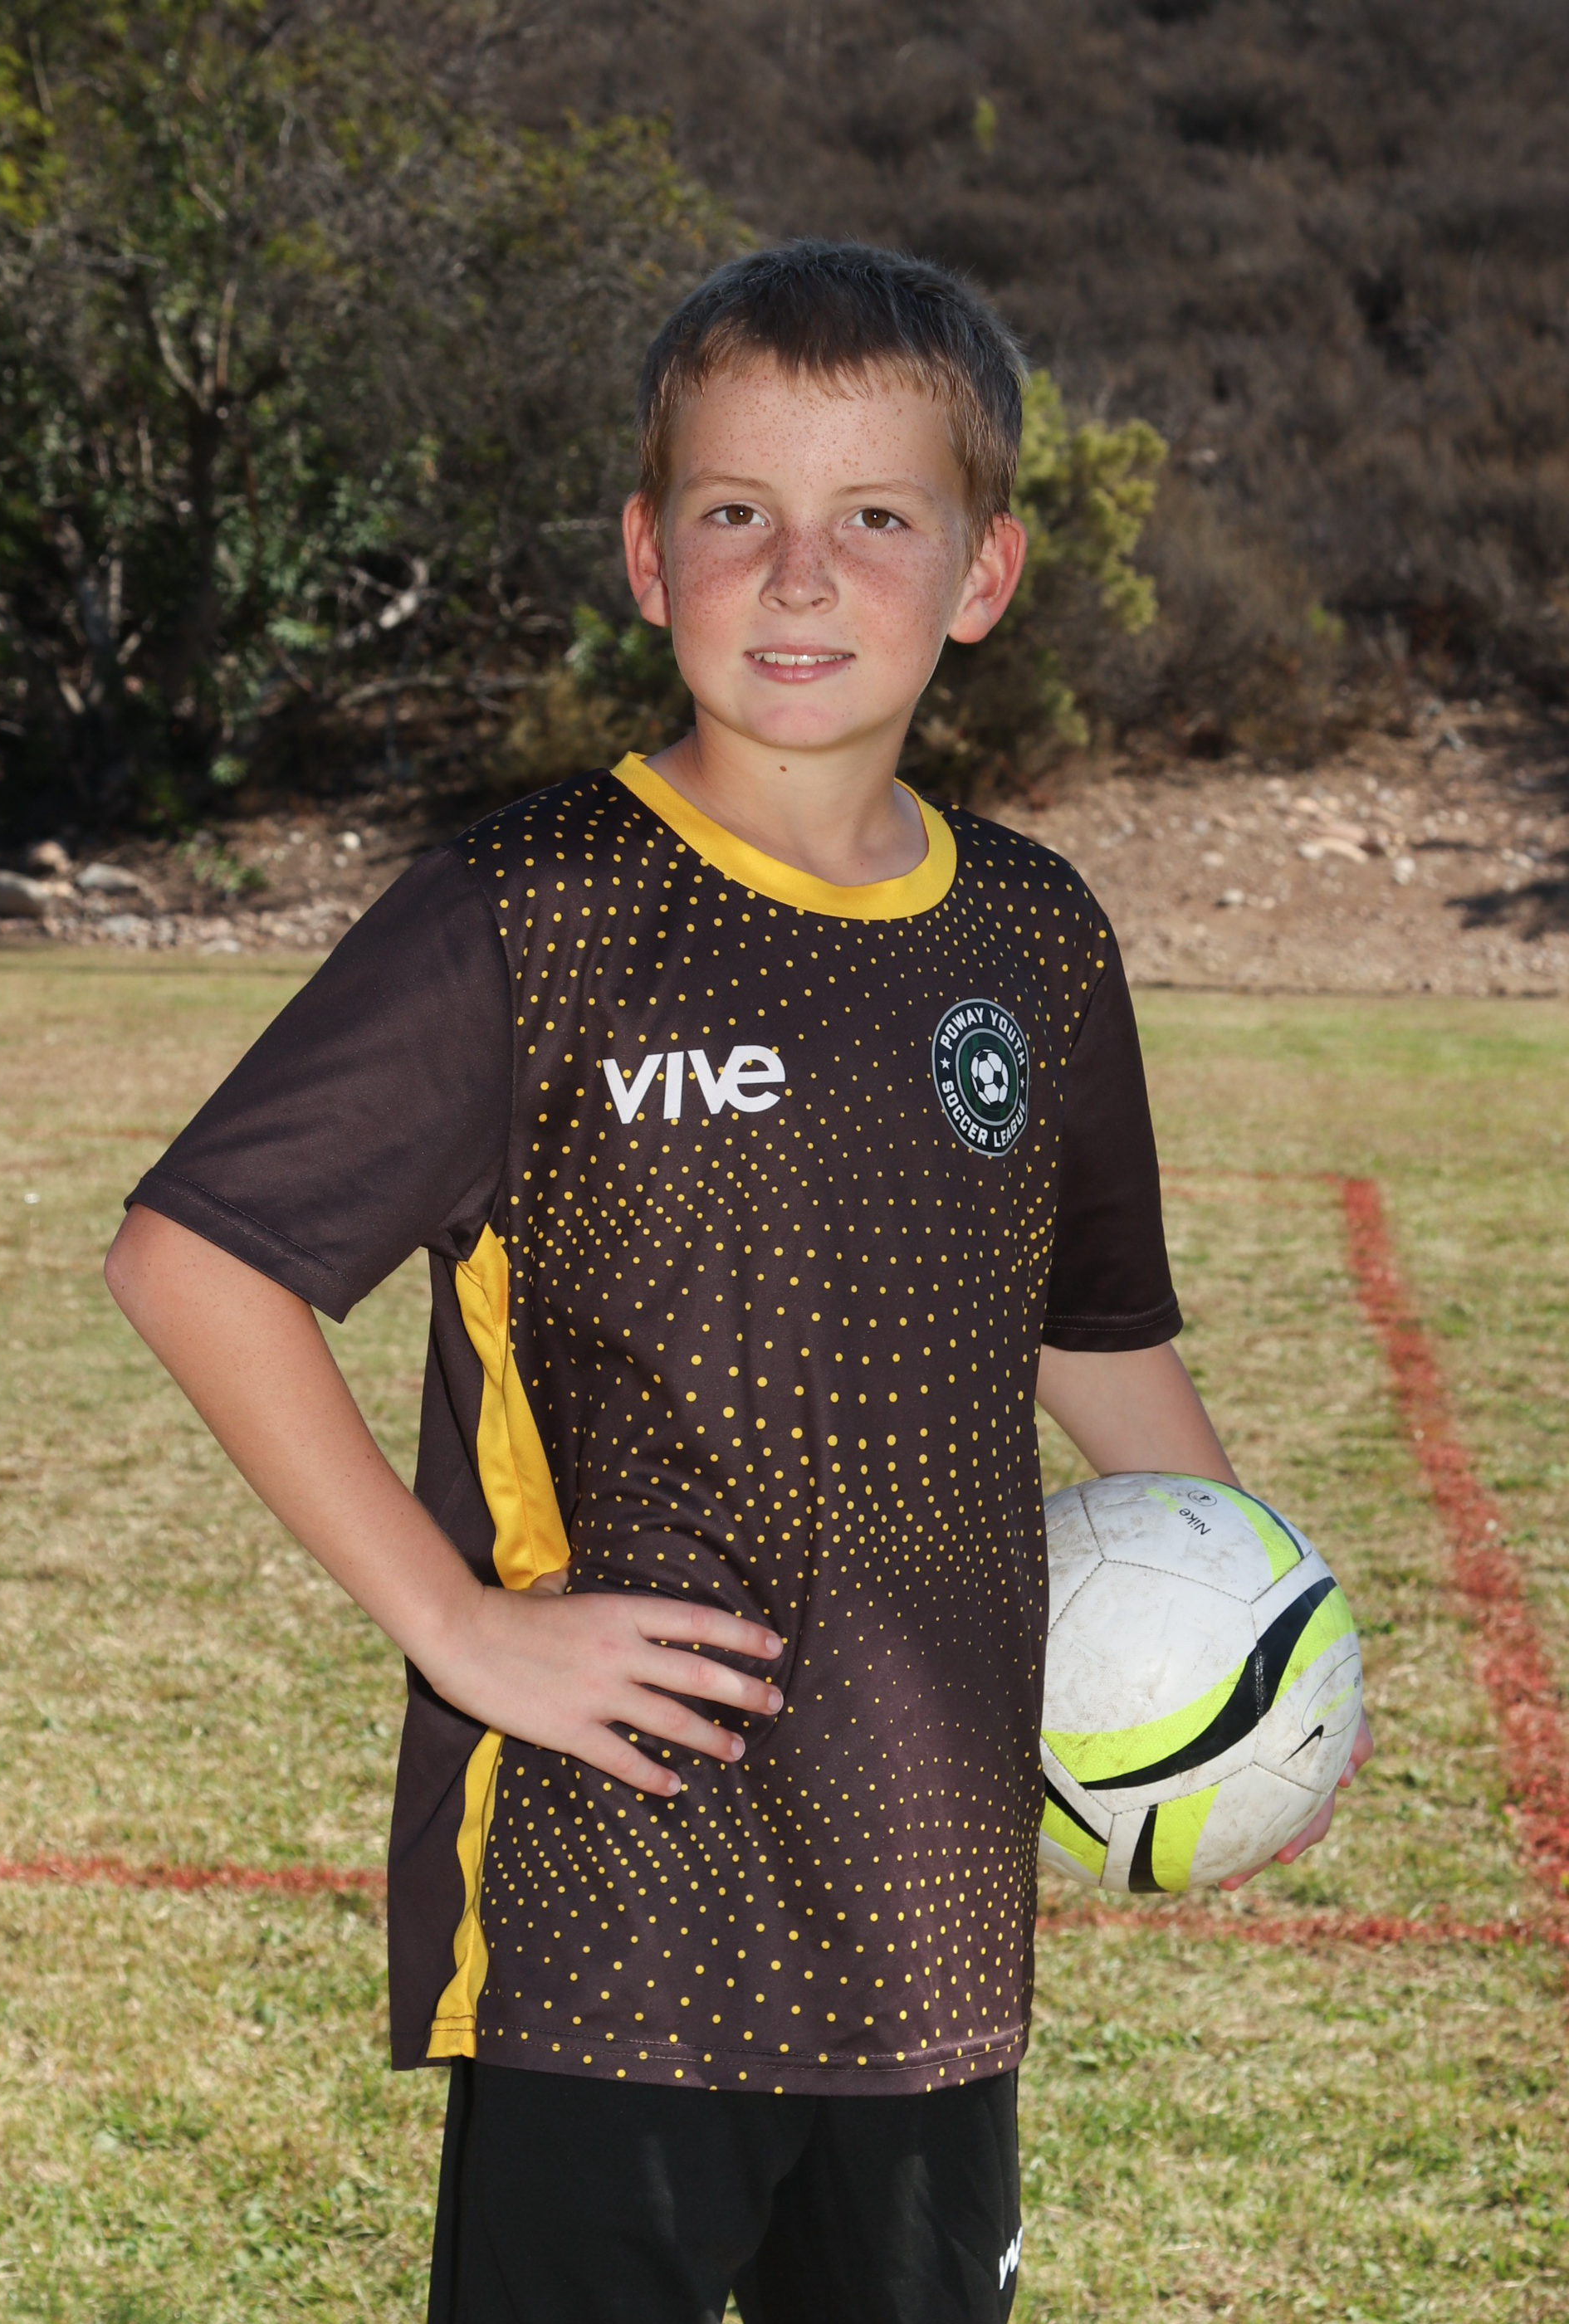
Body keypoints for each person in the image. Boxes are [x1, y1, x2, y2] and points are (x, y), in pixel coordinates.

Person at [106, 240, 1370, 2324]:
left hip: (929, 1901)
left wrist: (1255, 1664)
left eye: (874, 517)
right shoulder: (529, 911)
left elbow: (1096, 1333)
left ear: (981, 572)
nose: (800, 574)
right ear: (646, 554)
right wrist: (458, 1626)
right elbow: (195, 1258)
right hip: (616, 1900)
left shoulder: (1033, 937)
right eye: (734, 513)